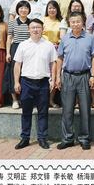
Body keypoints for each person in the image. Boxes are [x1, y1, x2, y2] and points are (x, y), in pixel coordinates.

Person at [13, 18, 58, 150]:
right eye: (33, 27)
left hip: (43, 82)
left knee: (43, 112)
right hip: (26, 82)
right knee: (26, 111)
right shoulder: (23, 45)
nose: (35, 30)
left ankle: (42, 138)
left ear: (42, 29)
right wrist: (16, 81)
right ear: (29, 29)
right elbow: (17, 64)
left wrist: (53, 79)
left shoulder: (48, 45)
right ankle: (25, 138)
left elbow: (53, 63)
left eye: (38, 27)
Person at [55, 12, 94, 150]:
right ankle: (67, 139)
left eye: (78, 21)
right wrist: (58, 77)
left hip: (84, 76)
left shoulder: (90, 38)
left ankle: (84, 138)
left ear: (83, 22)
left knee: (85, 109)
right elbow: (60, 58)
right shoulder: (65, 38)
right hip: (68, 76)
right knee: (67, 109)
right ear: (69, 23)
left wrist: (93, 76)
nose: (75, 24)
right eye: (73, 22)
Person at [6, 0, 31, 109]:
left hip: (28, 49)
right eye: (21, 8)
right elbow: (9, 38)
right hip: (15, 48)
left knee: (26, 73)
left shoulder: (31, 22)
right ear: (17, 10)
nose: (23, 10)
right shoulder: (12, 22)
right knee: (14, 73)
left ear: (29, 10)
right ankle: (14, 100)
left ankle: (24, 98)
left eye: (26, 8)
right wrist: (8, 53)